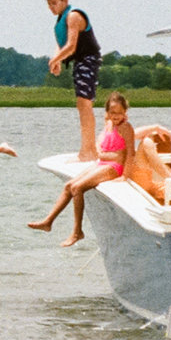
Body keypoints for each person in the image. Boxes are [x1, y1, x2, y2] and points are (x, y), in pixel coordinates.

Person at [28, 91, 131, 246]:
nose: (116, 116)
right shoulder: (109, 125)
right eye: (112, 112)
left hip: (114, 167)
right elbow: (100, 148)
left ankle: (77, 232)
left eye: (119, 113)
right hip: (102, 163)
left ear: (125, 112)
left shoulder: (126, 128)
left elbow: (127, 155)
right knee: (68, 185)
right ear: (107, 113)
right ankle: (48, 221)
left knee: (77, 188)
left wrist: (124, 175)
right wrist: (105, 154)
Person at [44, 0, 103, 160]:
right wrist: (57, 58)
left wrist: (55, 60)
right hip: (80, 61)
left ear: (65, 0)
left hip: (88, 59)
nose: (52, 8)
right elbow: (61, 43)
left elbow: (71, 45)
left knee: (84, 104)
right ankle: (88, 148)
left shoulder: (74, 16)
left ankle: (89, 150)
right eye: (49, 4)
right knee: (81, 104)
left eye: (54, 3)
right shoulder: (62, 19)